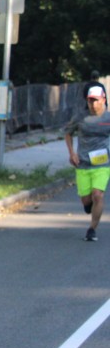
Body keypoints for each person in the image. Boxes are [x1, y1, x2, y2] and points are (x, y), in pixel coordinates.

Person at [64, 83, 110, 241]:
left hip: (103, 165)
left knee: (98, 195)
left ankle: (92, 229)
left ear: (103, 100)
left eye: (96, 100)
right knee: (86, 200)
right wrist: (72, 153)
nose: (93, 104)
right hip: (83, 164)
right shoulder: (80, 118)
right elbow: (68, 133)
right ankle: (88, 204)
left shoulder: (108, 118)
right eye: (90, 100)